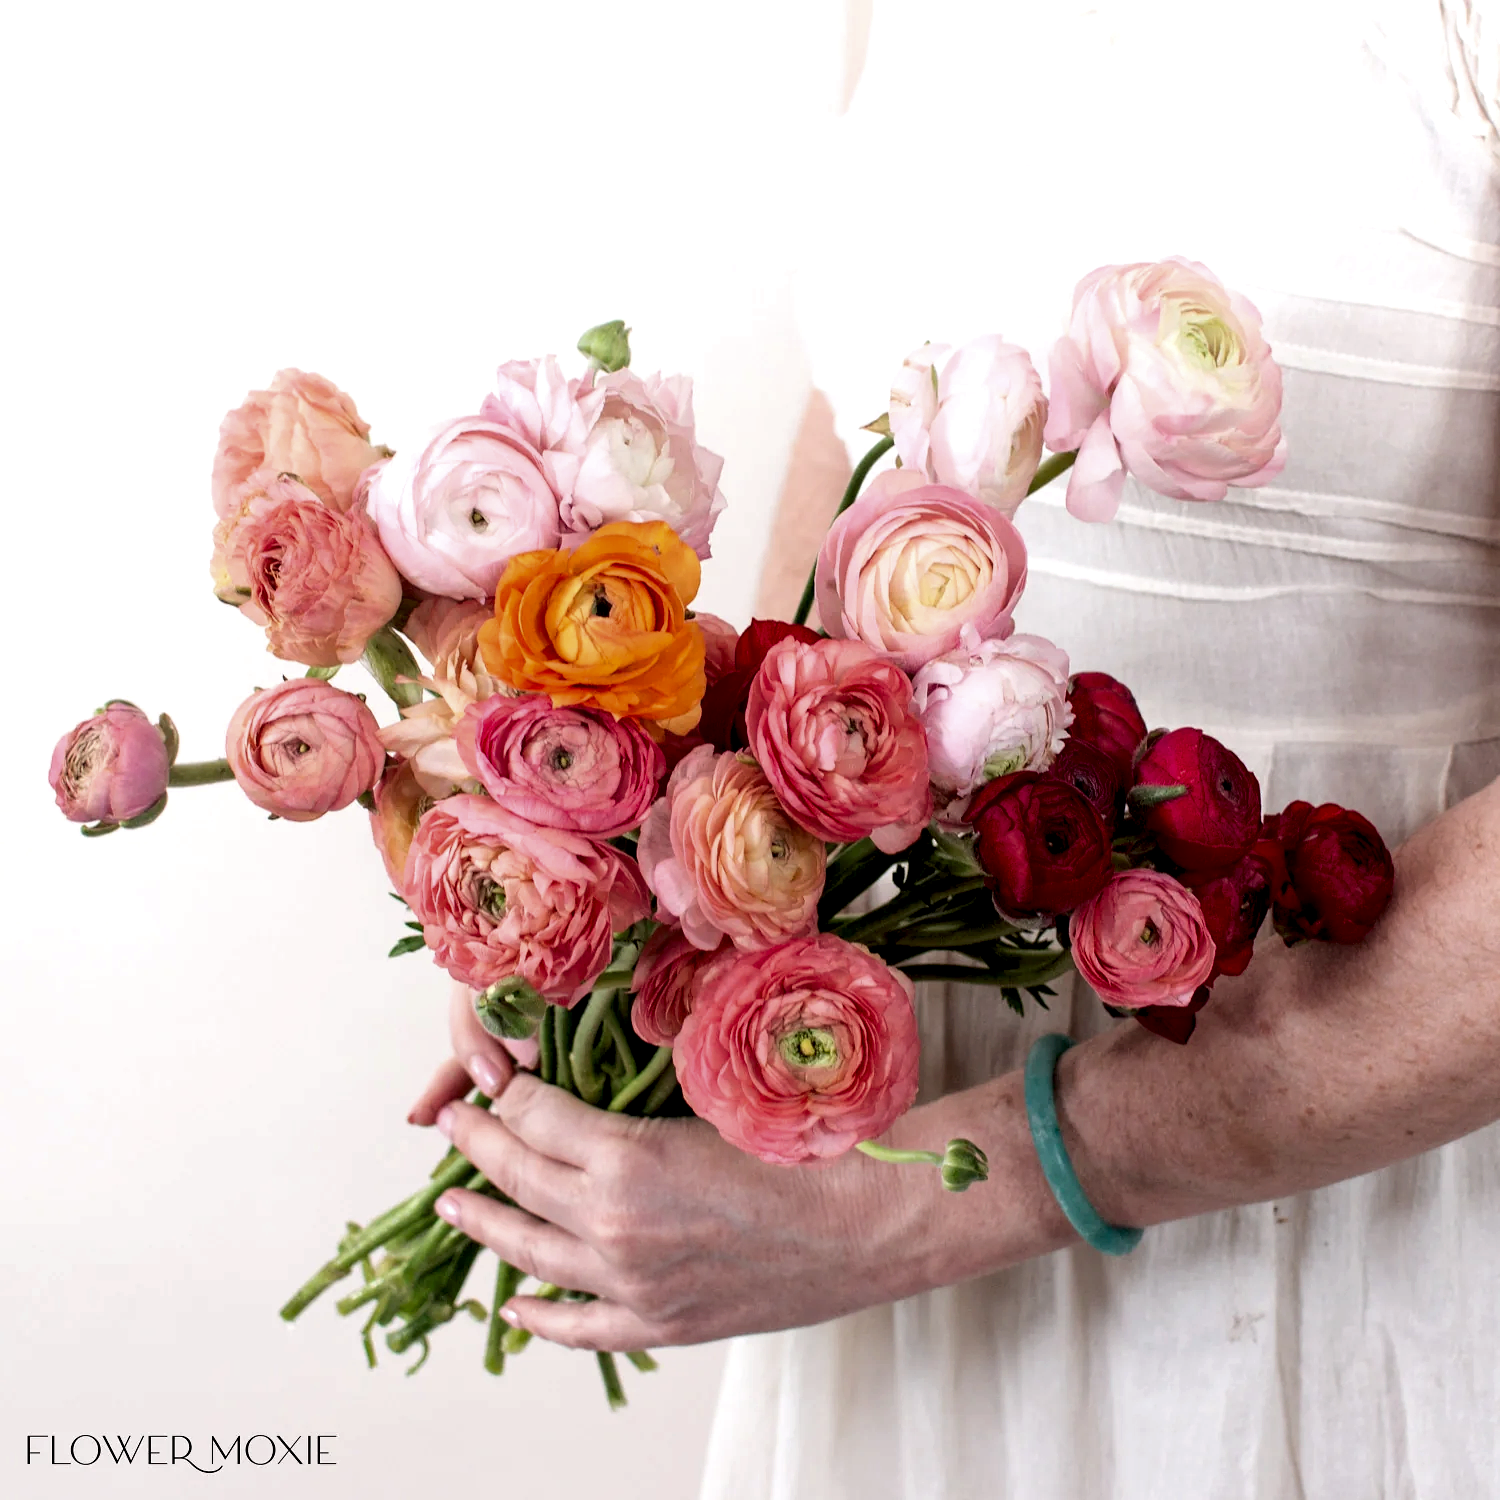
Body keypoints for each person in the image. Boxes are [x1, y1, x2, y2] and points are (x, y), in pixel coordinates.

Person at [409, 3, 1500, 1494]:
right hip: (897, 1256)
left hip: (1374, 1211)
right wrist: (658, 928)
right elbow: (856, 418)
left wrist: (947, 1198)